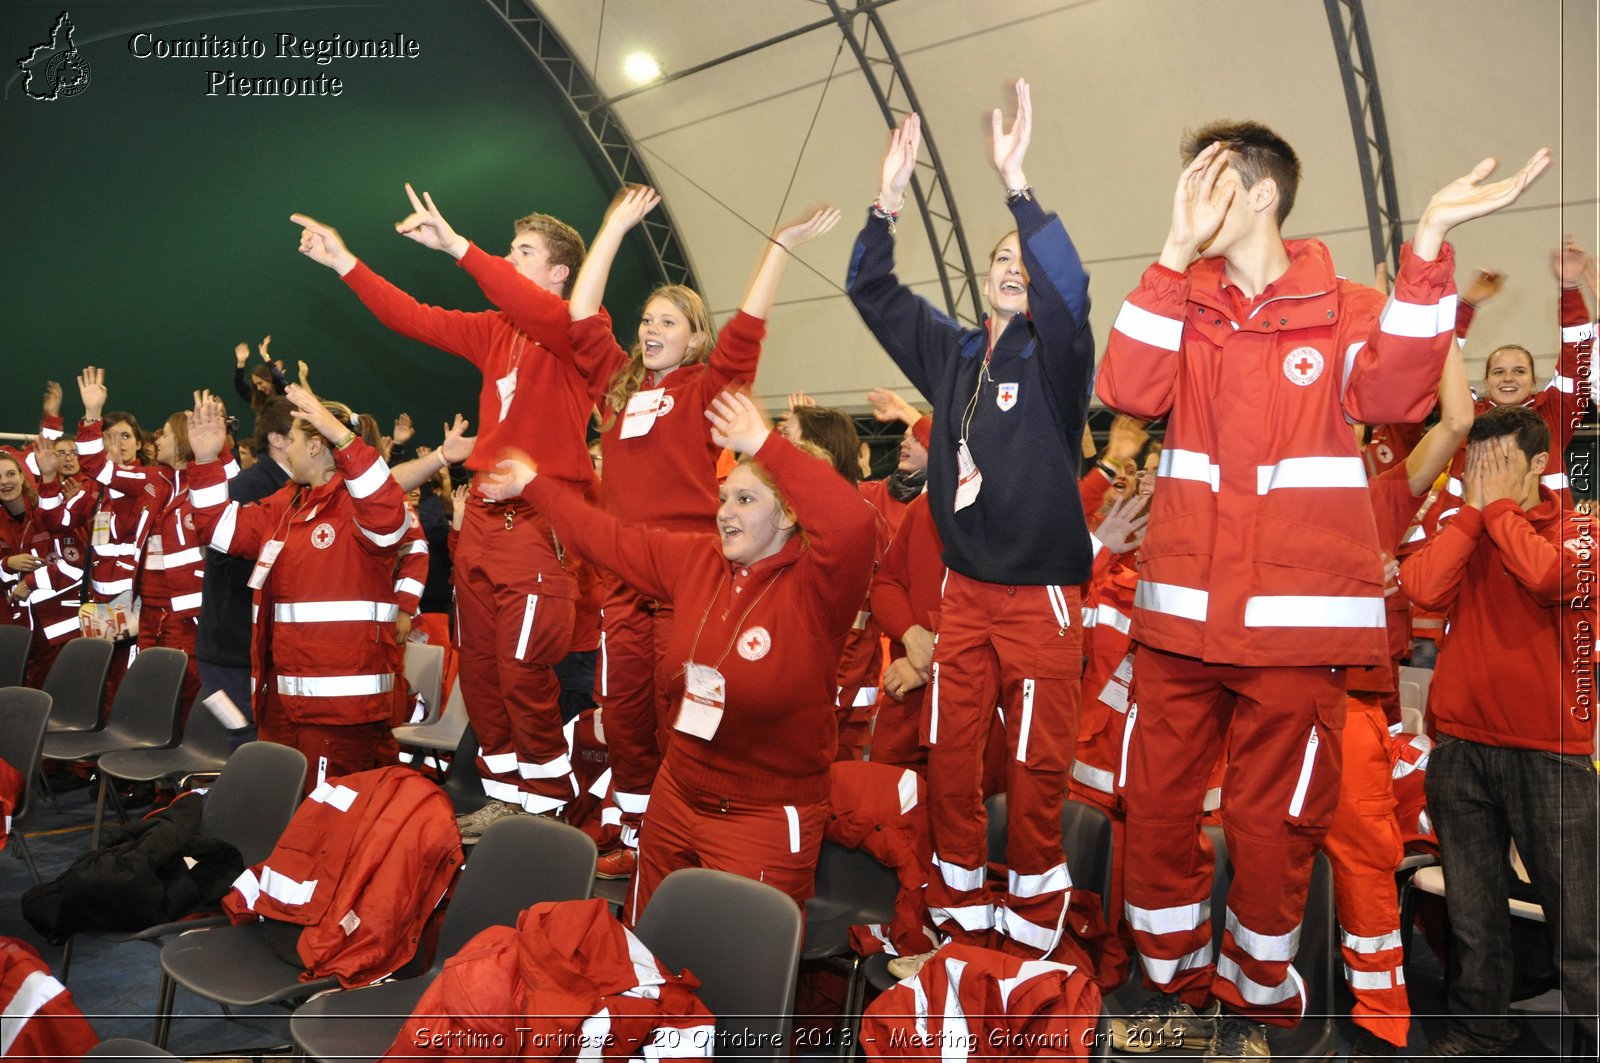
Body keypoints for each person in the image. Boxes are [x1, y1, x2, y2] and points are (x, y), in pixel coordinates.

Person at [1094, 117, 1548, 1058]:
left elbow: (1396, 398)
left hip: (1296, 639)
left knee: (1272, 834)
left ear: (1260, 193)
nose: (1188, 199)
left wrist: (1425, 250)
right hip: (1179, 625)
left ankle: (1257, 1011)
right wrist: (1172, 250)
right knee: (1156, 817)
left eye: (1205, 185)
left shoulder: (1345, 305)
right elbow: (1129, 389)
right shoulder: (1183, 299)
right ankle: (1177, 996)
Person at [846, 79, 1096, 963]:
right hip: (964, 597)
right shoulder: (953, 351)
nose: (1013, 265)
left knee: (1033, 777)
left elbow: (1069, 286)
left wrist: (1017, 186)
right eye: (1001, 255)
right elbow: (869, 286)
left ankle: (1028, 946)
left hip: (1040, 600)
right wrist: (887, 200)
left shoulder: (1060, 356)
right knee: (952, 764)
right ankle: (957, 929)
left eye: (1023, 260)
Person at [481, 391, 877, 921]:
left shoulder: (819, 587)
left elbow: (852, 523)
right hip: (677, 792)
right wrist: (534, 486)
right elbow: (608, 538)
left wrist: (764, 442)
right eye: (723, 498)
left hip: (761, 815)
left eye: (745, 500)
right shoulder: (699, 561)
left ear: (787, 516)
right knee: (648, 948)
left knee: (734, 982)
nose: (724, 514)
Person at [291, 189, 617, 821]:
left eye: (522, 252)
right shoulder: (496, 331)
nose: (507, 258)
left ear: (560, 274)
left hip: (542, 521)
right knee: (485, 676)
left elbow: (521, 297)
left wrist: (460, 248)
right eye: (507, 249)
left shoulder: (580, 332)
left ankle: (548, 806)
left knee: (525, 674)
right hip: (484, 524)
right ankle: (504, 799)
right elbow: (412, 316)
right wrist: (344, 263)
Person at [554, 185, 838, 875]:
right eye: (647, 320)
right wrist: (613, 227)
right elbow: (580, 314)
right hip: (623, 581)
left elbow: (748, 329)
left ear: (695, 338)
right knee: (622, 712)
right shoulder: (618, 389)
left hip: (688, 579)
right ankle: (636, 829)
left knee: (683, 706)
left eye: (669, 323)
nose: (652, 330)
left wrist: (779, 246)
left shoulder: (708, 389)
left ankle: (687, 836)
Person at [1399, 406, 1596, 1058]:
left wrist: (1499, 511)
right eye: (1474, 462)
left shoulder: (1580, 528)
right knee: (1475, 915)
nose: (1480, 474)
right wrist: (1474, 514)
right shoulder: (1471, 527)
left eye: (1497, 460)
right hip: (1461, 750)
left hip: (1551, 752)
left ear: (1539, 463)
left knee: (1580, 923)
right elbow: (1422, 588)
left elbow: (1548, 577)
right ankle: (1481, 1028)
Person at [184, 386, 410, 794]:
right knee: (290, 813)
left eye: (295, 440)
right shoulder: (288, 504)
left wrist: (342, 437)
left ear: (317, 446)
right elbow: (218, 529)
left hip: (342, 712)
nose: (285, 450)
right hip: (285, 705)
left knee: (331, 822)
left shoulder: (357, 508)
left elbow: (388, 517)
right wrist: (204, 460)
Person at [193, 396, 293, 746]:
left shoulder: (292, 489)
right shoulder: (250, 488)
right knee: (245, 740)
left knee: (260, 742)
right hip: (231, 648)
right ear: (277, 439)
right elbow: (219, 549)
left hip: (250, 647)